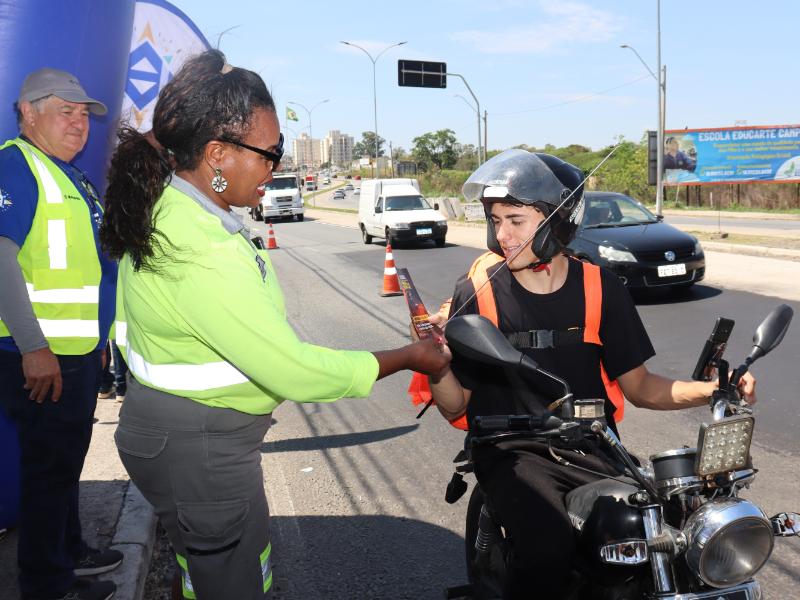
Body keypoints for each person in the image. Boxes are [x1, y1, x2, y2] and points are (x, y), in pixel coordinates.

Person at [99, 49, 449, 600]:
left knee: (206, 571)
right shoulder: (202, 245)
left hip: (179, 439)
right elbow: (294, 371)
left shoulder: (171, 209)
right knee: (232, 582)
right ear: (217, 153)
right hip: (203, 453)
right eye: (270, 152)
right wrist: (408, 357)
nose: (277, 167)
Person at [419, 149, 755, 598]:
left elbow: (642, 387)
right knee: (547, 548)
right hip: (512, 450)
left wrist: (715, 390)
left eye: (516, 220)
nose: (503, 235)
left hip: (593, 445)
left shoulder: (601, 287)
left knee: (652, 535)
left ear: (558, 220)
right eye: (495, 220)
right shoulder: (479, 293)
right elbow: (456, 405)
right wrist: (437, 363)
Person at [0, 68, 123, 600]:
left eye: (84, 115)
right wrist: (33, 346)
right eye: (64, 111)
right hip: (39, 355)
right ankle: (47, 586)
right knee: (49, 473)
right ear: (28, 112)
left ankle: (68, 551)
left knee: (64, 464)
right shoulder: (17, 165)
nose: (79, 124)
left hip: (73, 354)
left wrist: (97, 345)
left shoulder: (70, 175)